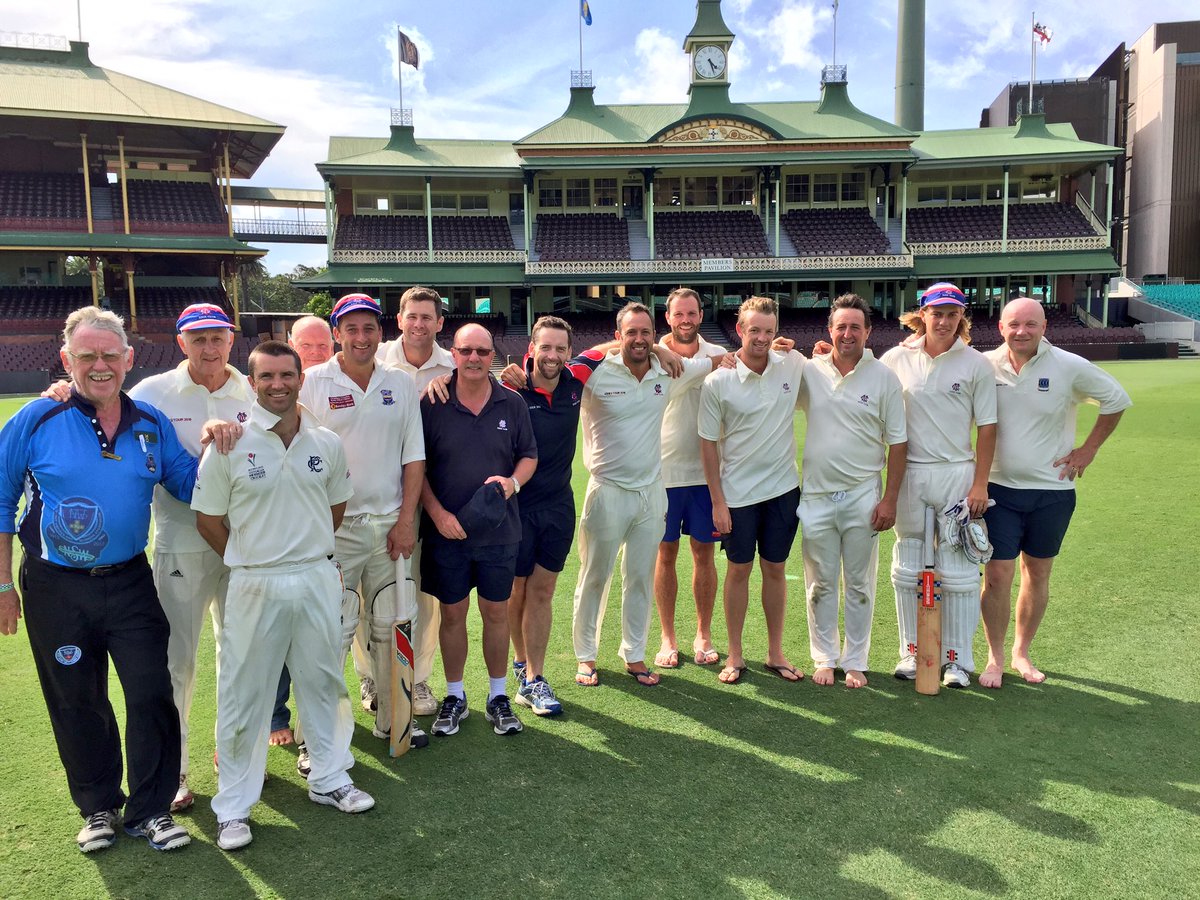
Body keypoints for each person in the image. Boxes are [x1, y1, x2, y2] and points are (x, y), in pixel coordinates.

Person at [0, 306, 195, 853]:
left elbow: (186, 482)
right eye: (87, 356)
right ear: (67, 360)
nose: (101, 365)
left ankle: (152, 810)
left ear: (130, 359)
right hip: (55, 587)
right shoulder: (37, 418)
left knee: (152, 691)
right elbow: (0, 500)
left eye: (111, 355)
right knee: (77, 699)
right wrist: (2, 588)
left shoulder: (151, 424)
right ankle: (99, 807)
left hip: (132, 581)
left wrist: (230, 446)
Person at [193, 341, 373, 852]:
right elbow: (208, 520)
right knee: (243, 692)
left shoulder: (325, 442)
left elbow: (334, 509)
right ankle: (232, 806)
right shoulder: (229, 444)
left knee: (323, 682)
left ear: (300, 378)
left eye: (286, 375)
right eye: (267, 376)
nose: (278, 384)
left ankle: (330, 778)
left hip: (316, 576)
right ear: (252, 383)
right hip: (254, 581)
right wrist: (251, 557)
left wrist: (304, 550)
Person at [979, 296, 1131, 688]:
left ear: (1044, 327)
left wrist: (1089, 448)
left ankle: (1021, 652)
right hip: (998, 490)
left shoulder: (1068, 366)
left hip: (1052, 492)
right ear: (1000, 328)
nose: (1021, 331)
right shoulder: (984, 365)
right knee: (997, 574)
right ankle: (994, 657)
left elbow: (1116, 399)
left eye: (1030, 324)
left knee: (1037, 571)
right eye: (1013, 324)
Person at [299, 293, 426, 751]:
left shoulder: (400, 383)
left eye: (368, 328)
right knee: (329, 632)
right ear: (336, 333)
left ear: (380, 332)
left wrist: (406, 520)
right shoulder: (311, 381)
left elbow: (414, 456)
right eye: (350, 328)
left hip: (390, 525)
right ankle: (319, 740)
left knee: (392, 625)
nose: (360, 337)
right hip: (335, 529)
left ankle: (395, 722)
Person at [571, 301, 717, 688]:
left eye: (646, 333)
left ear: (655, 334)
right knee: (594, 576)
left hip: (652, 494)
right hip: (607, 491)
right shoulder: (597, 372)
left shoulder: (668, 373)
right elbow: (568, 364)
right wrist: (656, 347)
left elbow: (720, 362)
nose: (639, 339)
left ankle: (634, 655)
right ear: (618, 337)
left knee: (638, 577)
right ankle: (586, 656)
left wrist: (777, 349)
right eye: (630, 333)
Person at [420, 323, 538, 737]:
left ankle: (497, 695)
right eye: (466, 351)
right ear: (452, 354)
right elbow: (418, 469)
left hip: (500, 533)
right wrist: (436, 515)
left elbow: (528, 456)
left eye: (483, 352)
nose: (474, 359)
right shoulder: (431, 401)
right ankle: (455, 696)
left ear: (494, 356)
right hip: (447, 532)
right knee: (452, 615)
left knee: (496, 614)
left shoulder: (512, 403)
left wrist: (512, 483)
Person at [880, 282, 997, 689]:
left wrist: (979, 483)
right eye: (937, 313)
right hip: (910, 471)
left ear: (961, 317)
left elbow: (987, 427)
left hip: (956, 473)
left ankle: (956, 660)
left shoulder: (976, 364)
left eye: (952, 314)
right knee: (908, 566)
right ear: (923, 313)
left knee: (959, 570)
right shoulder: (896, 357)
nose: (944, 321)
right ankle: (912, 650)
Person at [797, 294, 907, 689]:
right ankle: (824, 656)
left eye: (855, 327)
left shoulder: (884, 378)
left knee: (859, 584)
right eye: (840, 327)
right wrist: (779, 351)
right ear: (830, 330)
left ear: (868, 332)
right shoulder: (810, 371)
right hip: (816, 497)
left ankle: (855, 660)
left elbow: (898, 442)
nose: (847, 334)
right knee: (820, 583)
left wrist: (889, 498)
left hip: (863, 494)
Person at [698, 297, 807, 685]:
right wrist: (717, 502)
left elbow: (830, 371)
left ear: (776, 332)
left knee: (775, 570)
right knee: (739, 571)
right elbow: (708, 443)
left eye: (768, 330)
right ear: (739, 329)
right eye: (754, 329)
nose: (761, 337)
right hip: (738, 496)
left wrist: (822, 349)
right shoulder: (718, 381)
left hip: (782, 490)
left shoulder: (792, 363)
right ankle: (736, 654)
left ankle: (775, 652)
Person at [376, 286, 455, 718]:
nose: (420, 324)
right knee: (371, 588)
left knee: (424, 592)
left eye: (428, 317)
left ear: (439, 323)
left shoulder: (454, 364)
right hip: (377, 494)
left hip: (433, 497)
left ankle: (418, 678)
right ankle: (372, 676)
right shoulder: (376, 359)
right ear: (399, 319)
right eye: (413, 316)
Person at [503, 316, 581, 715]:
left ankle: (535, 676)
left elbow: (612, 348)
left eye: (560, 348)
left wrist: (658, 348)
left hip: (558, 508)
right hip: (517, 507)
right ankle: (522, 668)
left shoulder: (576, 380)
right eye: (545, 347)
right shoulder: (510, 387)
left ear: (569, 352)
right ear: (531, 349)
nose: (552, 356)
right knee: (517, 591)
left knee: (543, 591)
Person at [270, 315, 338, 747]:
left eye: (322, 345)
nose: (315, 353)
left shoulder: (336, 382)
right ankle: (275, 714)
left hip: (321, 538)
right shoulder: (268, 387)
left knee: (322, 636)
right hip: (270, 545)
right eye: (306, 346)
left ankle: (323, 729)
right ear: (291, 345)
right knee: (272, 639)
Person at [654, 287, 727, 670]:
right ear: (668, 317)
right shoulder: (650, 356)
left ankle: (703, 633)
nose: (685, 320)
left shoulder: (718, 355)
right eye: (678, 314)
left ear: (701, 315)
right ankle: (667, 637)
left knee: (703, 554)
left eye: (692, 314)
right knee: (664, 554)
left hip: (704, 476)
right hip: (661, 473)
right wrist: (655, 348)